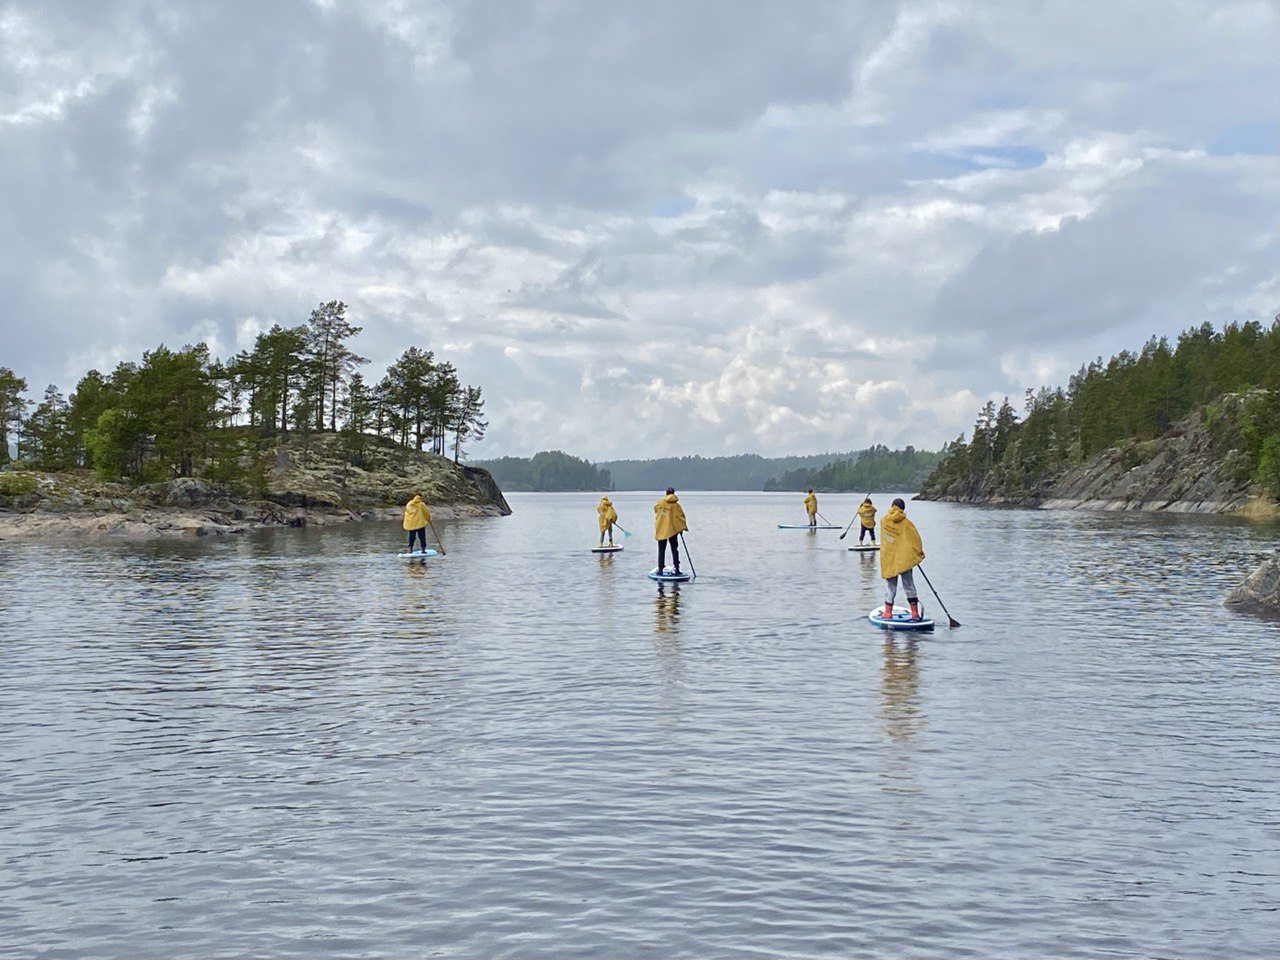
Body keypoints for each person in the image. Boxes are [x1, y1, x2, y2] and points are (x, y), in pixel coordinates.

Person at [880, 497, 925, 620]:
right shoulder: (907, 524)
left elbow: (887, 540)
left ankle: (888, 613)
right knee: (909, 585)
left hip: (889, 559)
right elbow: (915, 541)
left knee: (890, 586)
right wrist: (916, 555)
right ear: (903, 509)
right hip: (904, 560)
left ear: (892, 506)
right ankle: (915, 613)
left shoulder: (883, 520)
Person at [653, 487, 688, 574]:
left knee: (661, 550)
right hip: (673, 530)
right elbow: (681, 518)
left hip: (661, 529)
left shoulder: (659, 503)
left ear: (666, 493)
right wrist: (681, 528)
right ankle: (677, 567)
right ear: (674, 493)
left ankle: (660, 568)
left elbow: (655, 510)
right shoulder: (676, 506)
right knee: (674, 549)